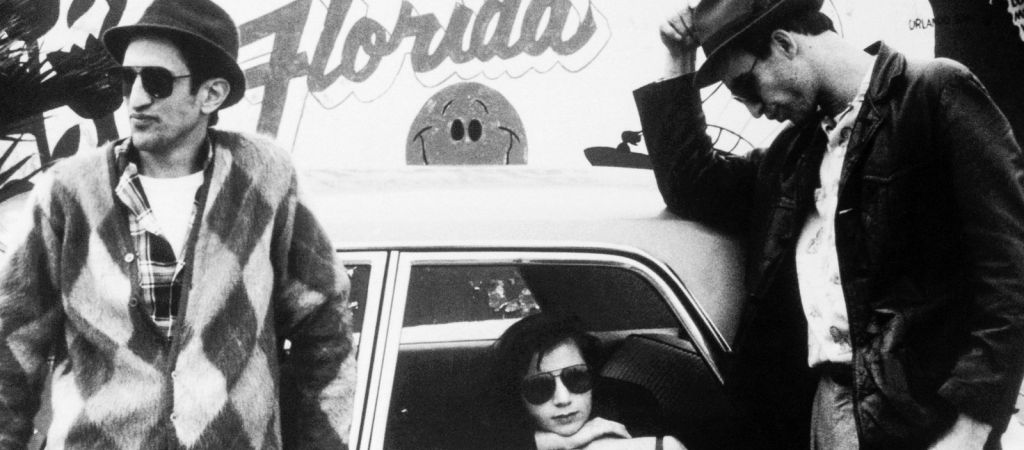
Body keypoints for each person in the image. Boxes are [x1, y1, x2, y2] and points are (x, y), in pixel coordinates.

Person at [635, 0, 1024, 449]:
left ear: (785, 44)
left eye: (748, 86)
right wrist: (677, 59)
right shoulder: (794, 153)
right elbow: (693, 185)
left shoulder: (933, 92)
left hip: (925, 420)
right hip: (827, 407)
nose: (755, 110)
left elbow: (1011, 272)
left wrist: (972, 427)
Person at [0, 0, 355, 448]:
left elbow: (324, 325)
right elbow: (10, 345)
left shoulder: (263, 179)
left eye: (157, 81)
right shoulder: (69, 193)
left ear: (211, 94)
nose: (136, 98)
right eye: (128, 79)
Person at [487, 313, 686, 450]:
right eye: (539, 387)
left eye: (576, 377)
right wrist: (560, 443)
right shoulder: (497, 424)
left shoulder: (633, 406)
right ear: (518, 393)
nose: (563, 399)